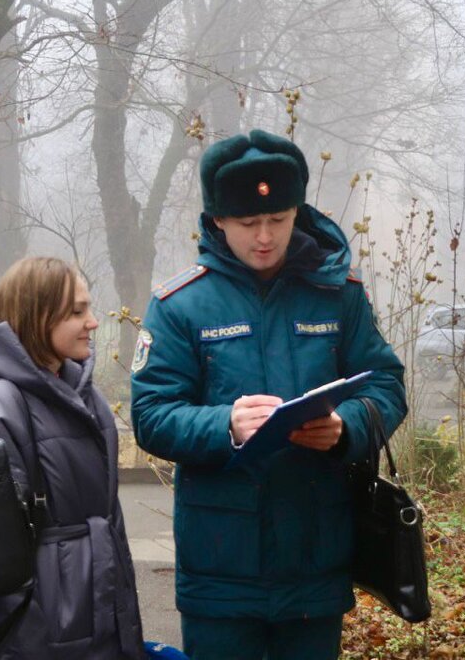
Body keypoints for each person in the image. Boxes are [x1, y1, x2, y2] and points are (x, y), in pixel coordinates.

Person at [130, 130, 407, 660]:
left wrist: (348, 426)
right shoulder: (179, 305)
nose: (265, 236)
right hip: (220, 568)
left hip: (316, 557)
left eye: (278, 220)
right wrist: (224, 424)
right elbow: (150, 414)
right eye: (248, 223)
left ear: (296, 212)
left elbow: (386, 383)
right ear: (217, 222)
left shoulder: (338, 293)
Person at [0, 257, 147, 660]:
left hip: (106, 630)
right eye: (77, 311)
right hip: (38, 641)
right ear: (37, 315)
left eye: (89, 308)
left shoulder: (86, 395)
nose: (93, 322)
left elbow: (109, 524)